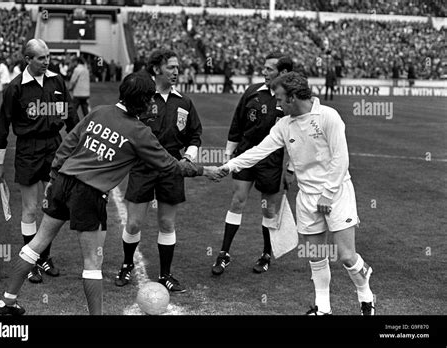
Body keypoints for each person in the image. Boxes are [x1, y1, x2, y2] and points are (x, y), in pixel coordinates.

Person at [0, 72, 220, 316]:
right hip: (88, 194)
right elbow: (171, 165)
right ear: (143, 102)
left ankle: (7, 301)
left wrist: (53, 176)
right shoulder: (139, 132)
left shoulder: (99, 111)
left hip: (64, 181)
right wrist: (204, 170)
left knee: (36, 244)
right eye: (149, 99)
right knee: (93, 262)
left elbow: (68, 143)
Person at [217, 72, 375, 315]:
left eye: (279, 98)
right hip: (307, 197)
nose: (277, 104)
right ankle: (323, 308)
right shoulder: (284, 124)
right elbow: (260, 150)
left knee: (346, 256)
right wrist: (229, 165)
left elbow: (341, 159)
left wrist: (327, 194)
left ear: (292, 97)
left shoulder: (328, 117)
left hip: (336, 193)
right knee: (316, 255)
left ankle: (365, 295)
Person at [114, 49, 202, 293]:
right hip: (143, 167)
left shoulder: (184, 102)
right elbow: (123, 125)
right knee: (133, 224)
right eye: (171, 67)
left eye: (177, 67)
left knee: (166, 222)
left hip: (172, 169)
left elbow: (195, 135)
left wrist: (189, 156)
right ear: (156, 70)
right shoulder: (142, 99)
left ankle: (165, 274)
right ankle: (126, 265)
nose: (176, 71)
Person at [0, 39, 79, 285]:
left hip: (55, 147)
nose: (46, 61)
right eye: (41, 58)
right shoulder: (15, 88)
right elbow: (2, 126)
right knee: (30, 209)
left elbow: (71, 116)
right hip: (28, 150)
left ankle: (44, 258)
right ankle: (29, 263)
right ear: (28, 60)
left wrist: (82, 146)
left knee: (53, 206)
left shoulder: (57, 81)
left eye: (48, 56)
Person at [210, 53, 293, 276]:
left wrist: (291, 167)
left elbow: (297, 136)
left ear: (283, 73)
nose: (264, 72)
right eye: (264, 68)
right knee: (237, 201)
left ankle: (266, 254)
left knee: (268, 209)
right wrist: (228, 153)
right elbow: (237, 122)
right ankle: (224, 253)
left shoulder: (288, 100)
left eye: (269, 69)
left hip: (271, 161)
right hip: (246, 155)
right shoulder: (252, 92)